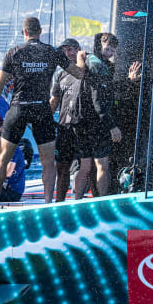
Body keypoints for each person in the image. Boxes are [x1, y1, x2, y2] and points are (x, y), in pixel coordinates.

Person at [0, 16, 67, 208]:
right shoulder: (51, 51)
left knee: (3, 157)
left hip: (18, 107)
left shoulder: (14, 52)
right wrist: (81, 61)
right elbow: (77, 73)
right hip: (41, 108)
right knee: (48, 162)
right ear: (40, 32)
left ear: (24, 33)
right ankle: (48, 203)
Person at [67, 33, 137, 198]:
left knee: (85, 166)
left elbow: (110, 88)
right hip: (96, 123)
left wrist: (129, 80)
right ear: (99, 47)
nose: (109, 53)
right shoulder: (98, 66)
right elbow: (99, 101)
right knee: (102, 166)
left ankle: (76, 199)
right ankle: (103, 200)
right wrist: (112, 127)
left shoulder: (95, 63)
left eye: (112, 50)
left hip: (82, 122)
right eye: (107, 49)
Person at [50, 38, 82, 202]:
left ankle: (80, 200)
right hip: (64, 127)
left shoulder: (85, 69)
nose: (67, 54)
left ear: (78, 50)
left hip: (83, 127)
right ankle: (59, 202)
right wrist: (44, 118)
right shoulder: (59, 73)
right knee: (61, 168)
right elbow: (54, 100)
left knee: (85, 168)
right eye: (64, 51)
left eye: (70, 50)